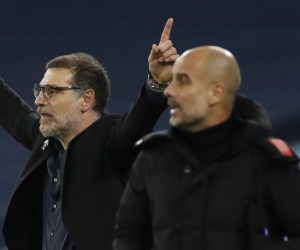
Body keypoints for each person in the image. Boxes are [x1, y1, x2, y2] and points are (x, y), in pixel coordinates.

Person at [0, 18, 179, 250]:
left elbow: (139, 121)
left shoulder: (111, 141)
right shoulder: (47, 140)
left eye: (52, 91)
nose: (39, 100)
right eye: (40, 90)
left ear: (86, 99)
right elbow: (11, 110)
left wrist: (156, 82)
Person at [113, 46, 300, 250]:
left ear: (215, 93)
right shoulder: (153, 157)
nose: (169, 91)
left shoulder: (265, 160)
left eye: (183, 81)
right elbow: (127, 236)